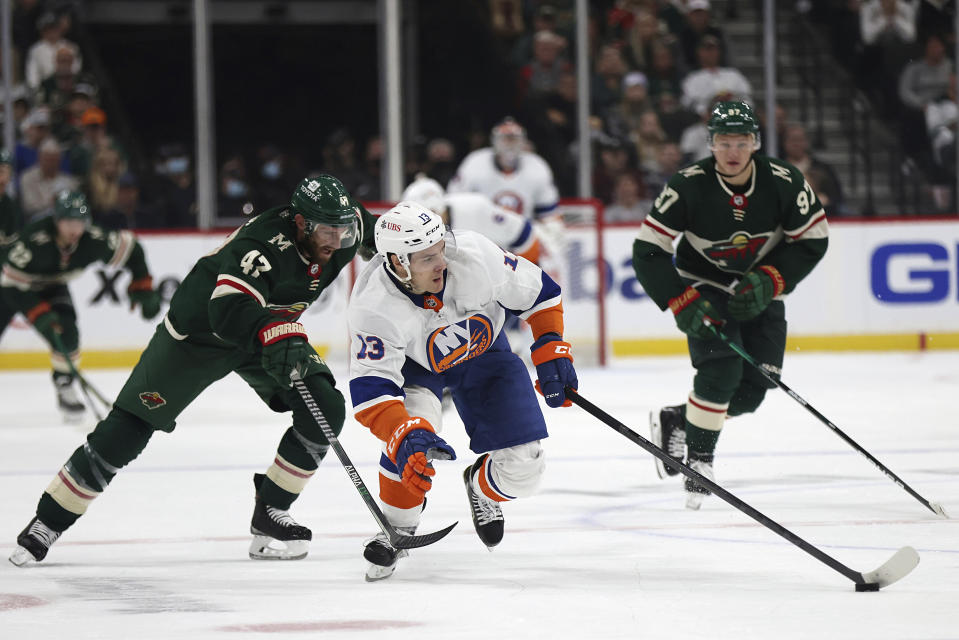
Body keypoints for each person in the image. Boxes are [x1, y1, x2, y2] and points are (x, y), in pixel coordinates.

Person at [7, 175, 378, 566]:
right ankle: (47, 521)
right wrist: (275, 333)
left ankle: (271, 511)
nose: (337, 242)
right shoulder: (263, 245)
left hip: (269, 332)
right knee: (128, 429)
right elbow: (229, 310)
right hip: (199, 333)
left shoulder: (346, 224)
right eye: (326, 232)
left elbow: (391, 239)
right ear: (301, 222)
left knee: (325, 407)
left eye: (344, 230)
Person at [348, 202, 578, 581]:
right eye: (426, 258)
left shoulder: (474, 253)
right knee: (409, 446)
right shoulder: (374, 306)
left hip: (485, 354)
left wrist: (551, 344)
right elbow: (372, 389)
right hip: (416, 370)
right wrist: (400, 430)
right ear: (398, 262)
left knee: (526, 471)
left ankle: (481, 487)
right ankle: (397, 528)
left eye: (440, 249)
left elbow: (540, 293)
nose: (441, 261)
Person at [632, 101, 829, 509]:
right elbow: (648, 249)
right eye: (724, 142)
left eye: (742, 142)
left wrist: (774, 278)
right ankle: (699, 463)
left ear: (756, 143)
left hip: (761, 284)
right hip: (704, 283)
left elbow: (813, 239)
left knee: (755, 388)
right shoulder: (688, 184)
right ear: (711, 145)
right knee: (720, 369)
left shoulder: (784, 181)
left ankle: (678, 418)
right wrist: (681, 299)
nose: (733, 151)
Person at [0, 190, 161, 423]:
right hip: (12, 286)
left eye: (79, 222)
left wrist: (142, 285)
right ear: (57, 221)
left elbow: (132, 248)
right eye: (68, 222)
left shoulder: (93, 239)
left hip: (54, 284)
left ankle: (64, 385)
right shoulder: (35, 239)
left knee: (68, 334)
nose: (74, 229)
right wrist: (38, 314)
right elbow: (10, 283)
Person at [401, 174, 541, 264]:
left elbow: (522, 231)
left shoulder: (475, 208)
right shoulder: (415, 233)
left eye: (426, 215)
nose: (422, 223)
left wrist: (523, 273)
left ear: (437, 209)